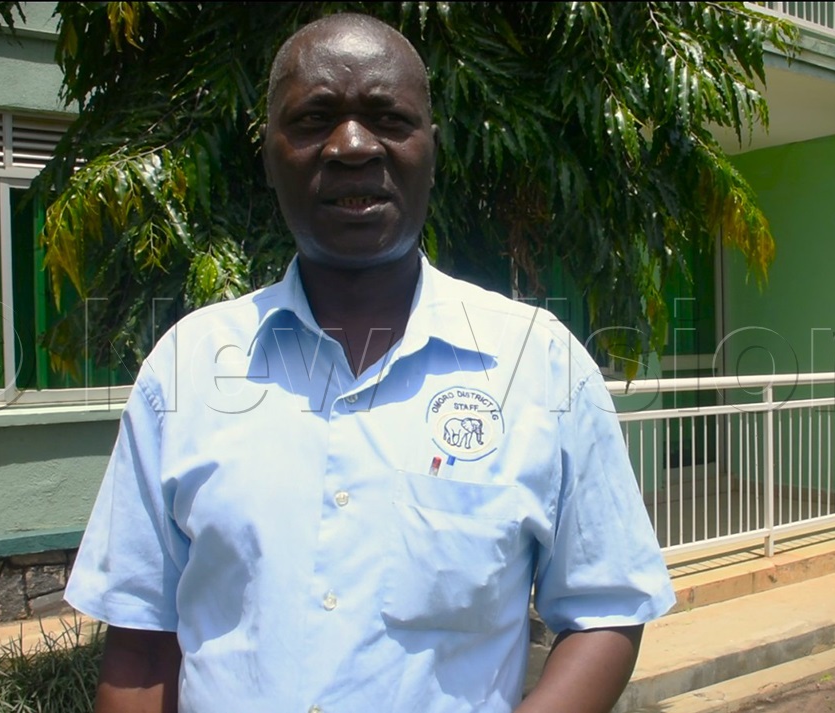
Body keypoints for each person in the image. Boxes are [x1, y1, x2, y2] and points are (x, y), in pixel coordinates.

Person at [64, 12, 675, 713]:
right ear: (268, 155)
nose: (352, 145)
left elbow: (604, 608)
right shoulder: (185, 369)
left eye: (387, 117)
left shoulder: (541, 365)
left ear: (431, 150)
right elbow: (141, 642)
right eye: (314, 118)